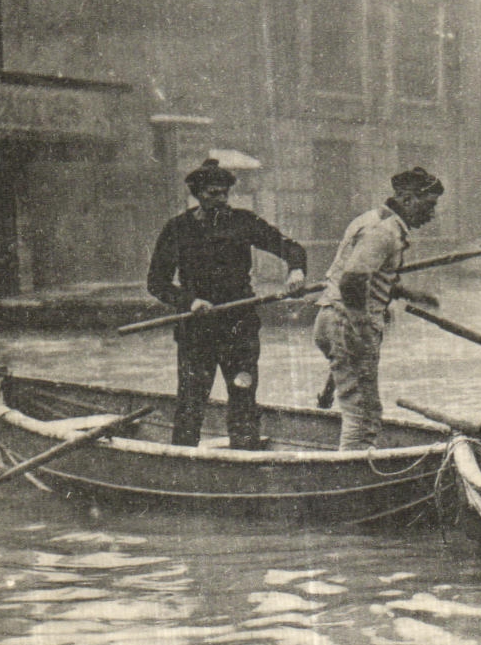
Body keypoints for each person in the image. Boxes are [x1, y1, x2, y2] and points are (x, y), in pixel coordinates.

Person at [146, 158, 308, 450]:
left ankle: (244, 458)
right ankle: (182, 462)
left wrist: (296, 270)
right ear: (197, 194)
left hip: (239, 330)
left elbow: (291, 247)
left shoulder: (243, 222)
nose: (220, 199)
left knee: (243, 397)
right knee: (191, 401)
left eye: (224, 193)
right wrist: (189, 302)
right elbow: (156, 283)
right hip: (196, 331)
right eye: (212, 194)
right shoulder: (177, 229)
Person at [313, 167, 444, 451]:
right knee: (363, 413)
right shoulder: (384, 231)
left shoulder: (372, 219)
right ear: (407, 199)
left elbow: (366, 275)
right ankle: (350, 480)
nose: (432, 214)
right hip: (348, 323)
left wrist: (407, 292)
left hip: (329, 318)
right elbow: (353, 281)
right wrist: (361, 329)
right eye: (429, 205)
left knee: (355, 401)